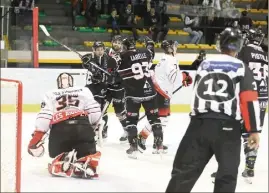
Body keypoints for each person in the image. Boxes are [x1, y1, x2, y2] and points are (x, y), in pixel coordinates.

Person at [166, 27, 260, 192]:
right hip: (228, 129)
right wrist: (253, 130)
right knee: (226, 178)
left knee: (182, 175)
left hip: (198, 125)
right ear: (238, 46)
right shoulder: (241, 67)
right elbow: (249, 99)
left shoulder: (205, 64)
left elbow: (196, 94)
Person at [28, 72, 102, 179]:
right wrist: (91, 126)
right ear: (73, 82)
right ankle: (87, 162)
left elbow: (45, 115)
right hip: (82, 125)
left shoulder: (50, 93)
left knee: (55, 154)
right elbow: (95, 112)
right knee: (87, 150)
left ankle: (61, 161)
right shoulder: (84, 90)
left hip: (60, 128)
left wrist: (37, 136)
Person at [109, 36, 163, 158]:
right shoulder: (145, 52)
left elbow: (113, 75)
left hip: (133, 94)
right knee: (154, 119)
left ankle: (133, 148)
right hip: (150, 91)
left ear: (125, 46)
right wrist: (149, 42)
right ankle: (159, 145)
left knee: (131, 121)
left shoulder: (121, 57)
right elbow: (151, 49)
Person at [137, 40, 193, 153]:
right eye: (174, 46)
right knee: (160, 119)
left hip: (160, 91)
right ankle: (144, 139)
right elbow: (174, 78)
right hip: (161, 92)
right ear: (170, 49)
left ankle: (155, 141)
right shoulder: (170, 60)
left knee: (162, 118)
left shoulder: (164, 59)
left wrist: (183, 78)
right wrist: (185, 76)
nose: (176, 48)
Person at [237, 28, 268, 183]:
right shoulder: (264, 53)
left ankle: (227, 166)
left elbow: (237, 72)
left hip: (248, 94)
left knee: (237, 131)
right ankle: (250, 166)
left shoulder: (244, 50)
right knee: (253, 131)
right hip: (263, 97)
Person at [106, 35, 128, 143]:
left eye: (119, 43)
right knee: (101, 109)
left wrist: (119, 77)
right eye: (115, 42)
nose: (116, 44)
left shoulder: (125, 55)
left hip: (119, 87)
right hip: (105, 85)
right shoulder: (106, 51)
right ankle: (102, 131)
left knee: (119, 112)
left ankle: (127, 130)